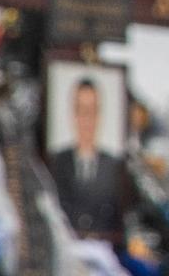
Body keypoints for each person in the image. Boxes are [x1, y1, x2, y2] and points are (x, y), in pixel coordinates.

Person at [52, 68, 133, 245]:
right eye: (81, 110)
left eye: (92, 110)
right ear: (73, 114)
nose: (87, 119)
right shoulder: (57, 161)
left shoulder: (114, 165)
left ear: (99, 114)